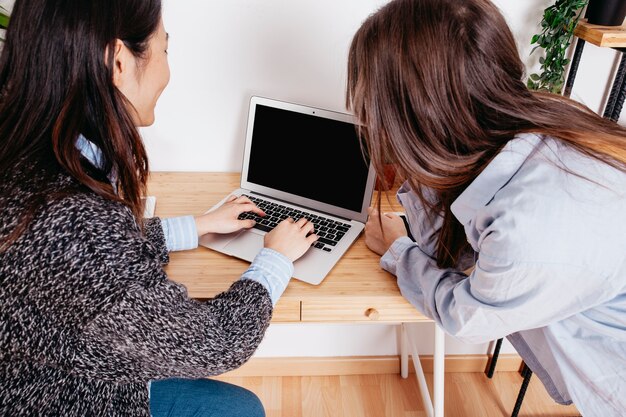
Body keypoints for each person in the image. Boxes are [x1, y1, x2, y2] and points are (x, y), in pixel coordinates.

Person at [0, 0, 318, 416]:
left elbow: (83, 262)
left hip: (42, 368)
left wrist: (195, 226)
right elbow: (216, 341)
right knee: (242, 410)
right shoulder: (75, 220)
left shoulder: (31, 152)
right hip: (64, 396)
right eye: (164, 49)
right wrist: (274, 258)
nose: (167, 69)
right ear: (118, 63)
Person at [346, 0, 626, 416]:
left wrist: (398, 251)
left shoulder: (527, 231)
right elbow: (450, 251)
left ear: (417, 117)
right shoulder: (543, 122)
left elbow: (470, 317)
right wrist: (418, 169)